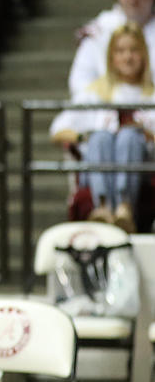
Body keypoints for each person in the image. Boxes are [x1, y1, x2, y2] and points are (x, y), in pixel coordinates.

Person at [50, 23, 155, 232]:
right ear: (111, 57)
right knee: (100, 138)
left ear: (143, 55)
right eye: (121, 51)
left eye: (134, 50)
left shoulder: (152, 97)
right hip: (98, 162)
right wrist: (83, 139)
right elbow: (58, 130)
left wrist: (144, 133)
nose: (128, 57)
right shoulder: (95, 94)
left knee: (128, 137)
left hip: (142, 167)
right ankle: (103, 208)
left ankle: (125, 207)